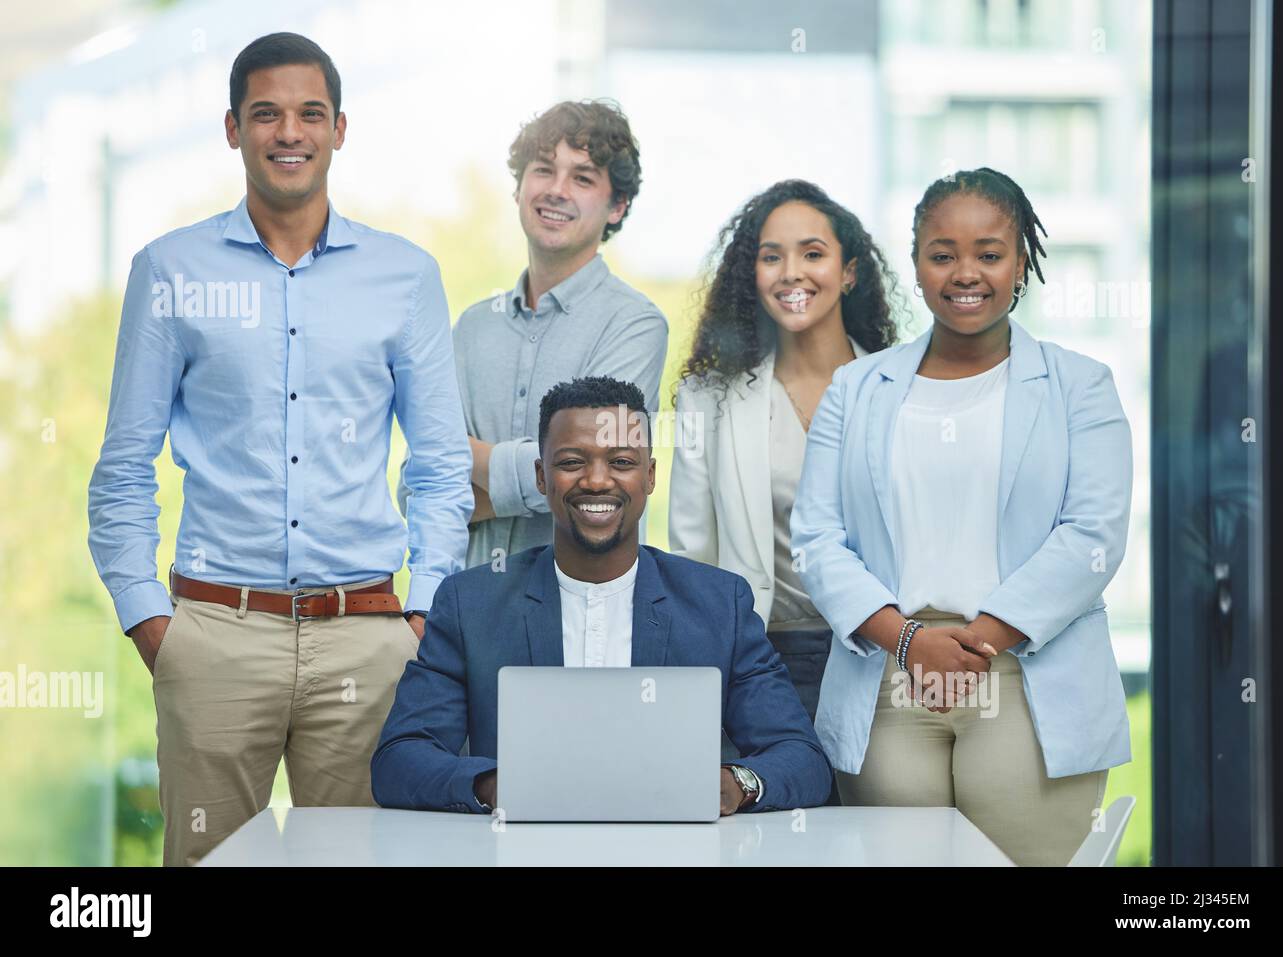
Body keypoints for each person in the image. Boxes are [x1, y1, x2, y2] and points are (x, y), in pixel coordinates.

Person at [86, 33, 474, 866]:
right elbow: (123, 467)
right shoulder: (170, 271)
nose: (288, 132)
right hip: (214, 632)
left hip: (367, 640)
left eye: (309, 113)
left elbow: (440, 466)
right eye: (266, 113)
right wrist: (151, 620)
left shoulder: (404, 276)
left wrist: (421, 616)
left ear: (340, 128)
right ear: (233, 129)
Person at [791, 168, 1132, 866]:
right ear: (916, 265)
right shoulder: (855, 389)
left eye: (989, 252)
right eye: (942, 253)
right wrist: (910, 640)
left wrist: (977, 639)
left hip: (1022, 670)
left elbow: (1092, 535)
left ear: (1021, 262)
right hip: (890, 671)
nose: (964, 272)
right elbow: (817, 539)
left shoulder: (1081, 385)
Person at [373, 377, 832, 815]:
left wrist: (735, 785)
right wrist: (493, 785)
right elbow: (400, 761)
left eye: (622, 462)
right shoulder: (470, 602)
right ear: (541, 476)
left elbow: (802, 759)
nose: (596, 481)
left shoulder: (718, 603)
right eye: (572, 461)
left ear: (650, 476)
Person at [399, 100, 668, 578]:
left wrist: (464, 466)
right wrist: (541, 478)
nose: (557, 191)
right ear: (521, 186)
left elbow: (597, 480)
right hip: (465, 609)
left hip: (581, 610)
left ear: (617, 206)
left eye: (583, 178)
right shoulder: (473, 327)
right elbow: (414, 487)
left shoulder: (636, 325)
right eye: (544, 170)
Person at [670, 180, 898, 725]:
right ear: (753, 275)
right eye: (772, 257)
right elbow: (691, 557)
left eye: (812, 254)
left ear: (849, 272)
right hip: (758, 662)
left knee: (873, 811)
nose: (791, 272)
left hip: (882, 659)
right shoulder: (709, 399)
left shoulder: (901, 392)